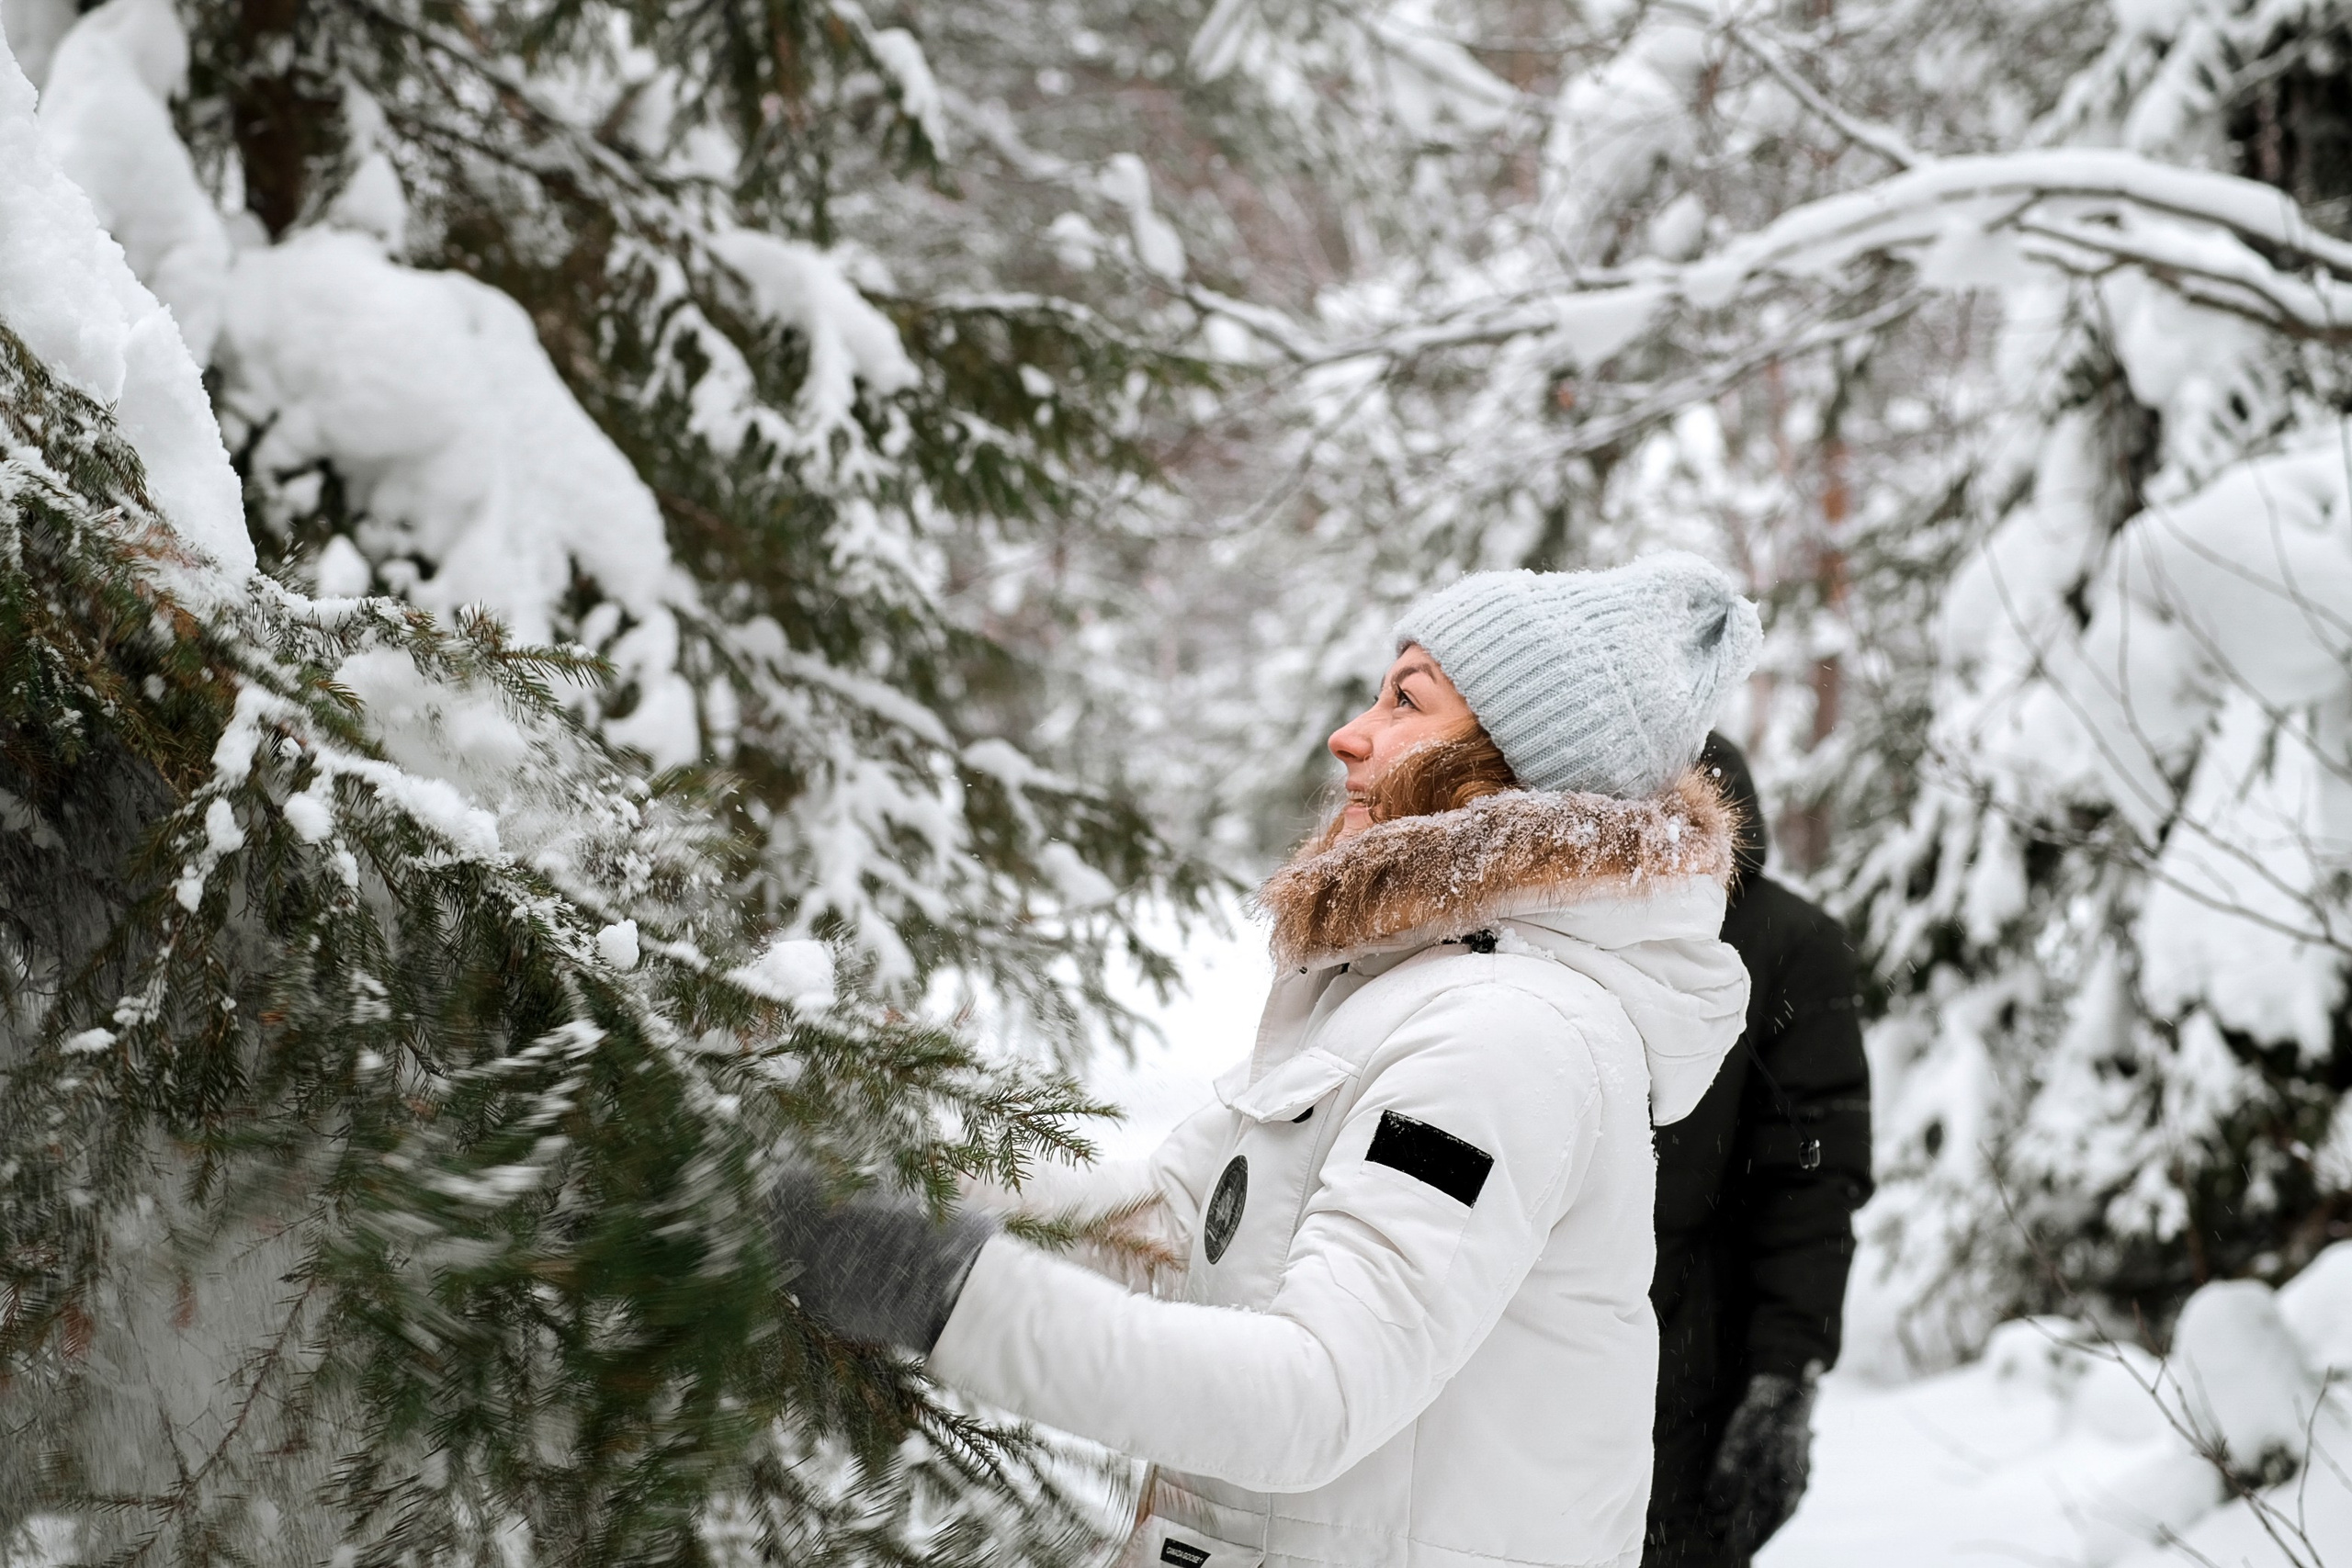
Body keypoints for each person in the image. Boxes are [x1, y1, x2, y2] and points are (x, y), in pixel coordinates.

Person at [773, 553, 1763, 1568]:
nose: (1350, 733)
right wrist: (874, 1167)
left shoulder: (1503, 1035)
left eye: (1406, 700)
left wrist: (935, 1287)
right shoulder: (1401, 992)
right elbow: (1166, 1234)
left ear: (1510, 768)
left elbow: (1314, 1392)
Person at [1643, 734, 1874, 1568]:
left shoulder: (1789, 942)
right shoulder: (1563, 918)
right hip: (1544, 1356)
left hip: (1698, 1359)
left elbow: (1810, 1179)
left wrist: (1785, 1373)